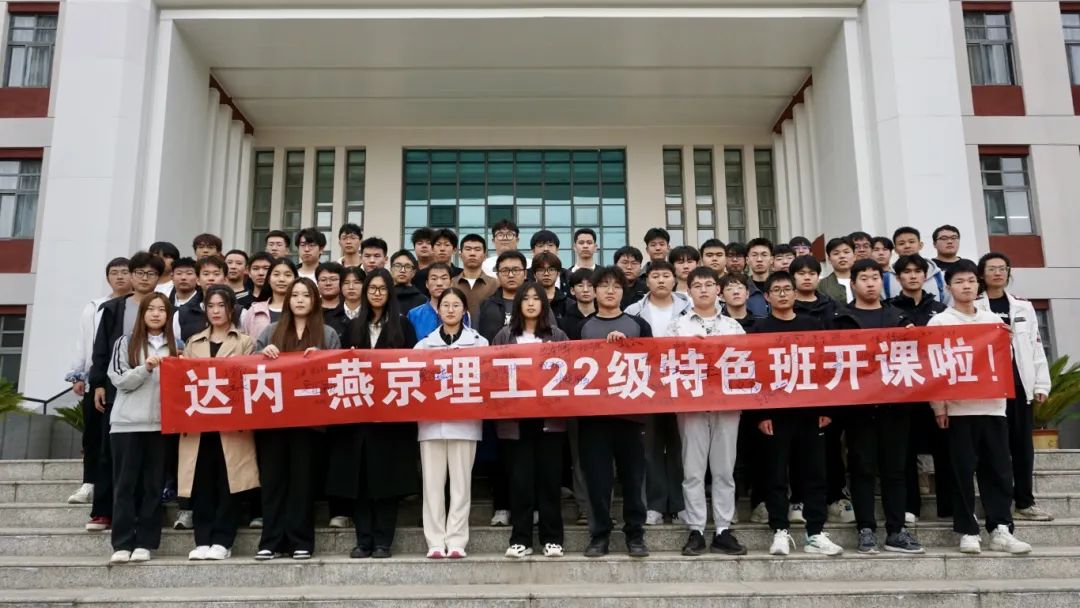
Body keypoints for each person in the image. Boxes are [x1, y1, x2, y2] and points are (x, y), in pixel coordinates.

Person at [929, 261, 1032, 555]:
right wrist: (939, 407)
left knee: (998, 470)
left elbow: (1002, 363)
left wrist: (1006, 342)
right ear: (949, 287)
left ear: (978, 285)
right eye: (960, 282)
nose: (967, 286)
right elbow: (933, 367)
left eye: (971, 281)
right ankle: (967, 530)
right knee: (961, 471)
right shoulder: (939, 322)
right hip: (958, 410)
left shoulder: (992, 321)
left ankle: (1001, 528)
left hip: (994, 407)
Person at [832, 259, 923, 555]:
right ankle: (866, 529)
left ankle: (897, 530)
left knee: (895, 470)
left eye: (875, 278)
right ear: (853, 283)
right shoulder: (841, 318)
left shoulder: (899, 318)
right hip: (858, 409)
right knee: (862, 469)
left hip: (895, 407)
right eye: (864, 278)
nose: (870, 283)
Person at [751, 272, 844, 557]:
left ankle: (815, 532)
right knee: (776, 474)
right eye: (776, 290)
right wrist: (761, 414)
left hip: (810, 411)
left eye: (786, 289)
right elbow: (754, 374)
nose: (782, 294)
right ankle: (780, 530)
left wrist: (826, 408)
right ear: (766, 297)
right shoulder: (758, 329)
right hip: (775, 414)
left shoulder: (812, 325)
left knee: (814, 473)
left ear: (795, 293)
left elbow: (825, 367)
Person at [329, 269, 419, 559]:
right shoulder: (353, 326)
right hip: (359, 418)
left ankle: (383, 541)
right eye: (372, 288)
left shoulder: (403, 326)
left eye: (382, 288)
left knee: (386, 481)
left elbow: (412, 367)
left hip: (391, 419)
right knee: (361, 482)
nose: (377, 293)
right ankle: (363, 540)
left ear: (390, 293)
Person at [254, 277, 341, 560]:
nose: (300, 300)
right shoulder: (271, 331)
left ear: (315, 300)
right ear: (288, 300)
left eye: (306, 295)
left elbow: (339, 371)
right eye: (295, 295)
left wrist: (322, 358)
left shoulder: (327, 333)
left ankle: (300, 540)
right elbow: (249, 370)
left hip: (310, 423)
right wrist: (262, 354)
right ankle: (271, 541)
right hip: (274, 420)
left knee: (302, 483)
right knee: (273, 481)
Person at [668, 266, 747, 557]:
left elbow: (747, 363)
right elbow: (667, 363)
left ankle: (723, 529)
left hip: (727, 405)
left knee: (724, 469)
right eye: (697, 285)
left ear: (718, 290)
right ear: (688, 291)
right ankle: (696, 529)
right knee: (693, 470)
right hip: (691, 406)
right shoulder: (677, 327)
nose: (703, 289)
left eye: (709, 284)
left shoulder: (733, 327)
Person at [179, 286, 260, 561]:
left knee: (229, 482)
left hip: (232, 424)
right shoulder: (193, 343)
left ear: (231, 309)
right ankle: (202, 539)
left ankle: (223, 541)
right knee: (201, 481)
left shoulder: (245, 342)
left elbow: (249, 380)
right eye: (211, 306)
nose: (215, 311)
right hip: (199, 424)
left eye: (221, 305)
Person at [87, 252, 165, 532]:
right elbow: (101, 348)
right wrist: (98, 382)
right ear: (131, 275)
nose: (145, 278)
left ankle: (143, 515)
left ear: (159, 278)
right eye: (139, 273)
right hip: (118, 385)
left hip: (155, 394)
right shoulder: (114, 308)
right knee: (110, 452)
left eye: (151, 274)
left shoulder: (164, 307)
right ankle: (103, 511)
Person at [577, 266, 652, 559]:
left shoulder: (638, 325)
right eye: (604, 285)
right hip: (593, 418)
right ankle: (599, 535)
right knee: (597, 479)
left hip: (631, 416)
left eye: (616, 286)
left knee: (633, 478)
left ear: (624, 291)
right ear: (594, 291)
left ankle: (635, 534)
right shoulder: (582, 327)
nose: (610, 291)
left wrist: (628, 347)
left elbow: (652, 364)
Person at [493, 282, 570, 559]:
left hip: (550, 420)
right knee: (520, 482)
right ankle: (520, 539)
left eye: (536, 299)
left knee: (549, 480)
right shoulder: (504, 335)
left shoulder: (557, 335)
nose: (530, 303)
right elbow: (493, 375)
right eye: (525, 299)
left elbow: (569, 374)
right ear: (517, 304)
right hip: (516, 421)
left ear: (544, 304)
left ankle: (552, 539)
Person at [975, 252, 1053, 522]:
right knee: (993, 448)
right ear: (981, 274)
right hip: (989, 387)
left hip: (1019, 384)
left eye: (1003, 268)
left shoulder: (1024, 307)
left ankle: (1025, 501)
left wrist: (1041, 383)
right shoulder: (974, 305)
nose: (998, 273)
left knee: (1022, 447)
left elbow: (1035, 346)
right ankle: (998, 503)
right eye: (992, 268)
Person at [414, 288, 488, 559]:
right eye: (445, 305)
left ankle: (457, 540)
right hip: (431, 425)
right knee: (432, 486)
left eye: (456, 305)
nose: (450, 310)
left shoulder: (480, 343)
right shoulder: (424, 346)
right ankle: (434, 541)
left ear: (464, 310)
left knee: (461, 485)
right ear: (439, 310)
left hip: (465, 424)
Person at [107, 292, 179, 564]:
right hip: (127, 424)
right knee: (125, 486)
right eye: (151, 309)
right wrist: (145, 368)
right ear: (142, 313)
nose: (156, 314)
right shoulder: (126, 342)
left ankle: (146, 542)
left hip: (161, 425)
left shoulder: (177, 345)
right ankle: (122, 542)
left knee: (153, 486)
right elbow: (118, 379)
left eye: (162, 309)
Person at [625, 261, 689, 526]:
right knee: (650, 448)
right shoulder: (633, 311)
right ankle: (654, 504)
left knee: (680, 446)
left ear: (674, 279)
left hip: (683, 386)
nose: (661, 280)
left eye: (666, 275)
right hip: (647, 386)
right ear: (647, 280)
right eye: (655, 276)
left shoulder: (689, 306)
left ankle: (681, 504)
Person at [889, 254, 951, 523]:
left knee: (944, 447)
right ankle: (910, 506)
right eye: (907, 271)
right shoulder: (890, 310)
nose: (912, 276)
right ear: (898, 277)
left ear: (925, 276)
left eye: (917, 271)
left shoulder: (940, 310)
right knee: (904, 451)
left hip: (936, 388)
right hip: (902, 390)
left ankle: (948, 505)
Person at [66, 257, 131, 505]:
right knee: (93, 434)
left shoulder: (140, 305)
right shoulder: (95, 307)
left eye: (124, 272)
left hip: (127, 378)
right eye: (114, 273)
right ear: (108, 278)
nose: (120, 277)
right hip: (97, 376)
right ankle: (89, 483)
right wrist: (78, 373)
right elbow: (84, 342)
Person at [241, 258, 296, 345]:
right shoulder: (255, 310)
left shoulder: (302, 308)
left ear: (295, 279)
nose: (281, 279)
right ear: (269, 279)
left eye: (288, 275)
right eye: (276, 274)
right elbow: (244, 344)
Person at [477, 251, 528, 343]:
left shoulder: (537, 303)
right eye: (505, 271)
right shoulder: (487, 305)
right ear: (497, 275)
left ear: (525, 274)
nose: (511, 275)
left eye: (516, 270)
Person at [890, 226, 948, 305]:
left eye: (911, 242)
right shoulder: (887, 278)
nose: (907, 246)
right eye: (901, 243)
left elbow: (948, 305)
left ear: (920, 245)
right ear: (895, 249)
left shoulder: (939, 276)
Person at [408, 263, 464, 339]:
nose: (439, 283)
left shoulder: (461, 313)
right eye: (434, 279)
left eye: (444, 278)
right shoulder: (414, 315)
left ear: (451, 283)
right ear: (427, 284)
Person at [452, 233, 497, 322]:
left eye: (477, 249)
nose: (472, 253)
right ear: (460, 255)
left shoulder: (495, 284)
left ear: (485, 256)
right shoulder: (451, 283)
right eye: (468, 249)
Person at [530, 252, 568, 322]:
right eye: (541, 270)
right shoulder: (527, 302)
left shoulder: (568, 304)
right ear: (534, 274)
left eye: (551, 270)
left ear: (558, 273)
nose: (546, 274)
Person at [560, 267, 596, 340]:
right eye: (580, 286)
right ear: (572, 290)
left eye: (590, 285)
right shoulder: (564, 322)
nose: (585, 290)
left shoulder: (604, 317)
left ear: (596, 290)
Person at [317, 262, 348, 343]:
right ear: (317, 283)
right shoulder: (311, 308)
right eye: (323, 280)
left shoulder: (349, 308)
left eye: (333, 279)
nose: (328, 283)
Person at [819, 236, 855, 304]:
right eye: (836, 253)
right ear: (829, 259)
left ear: (854, 256)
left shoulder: (863, 281)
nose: (842, 256)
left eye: (846, 252)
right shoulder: (822, 285)